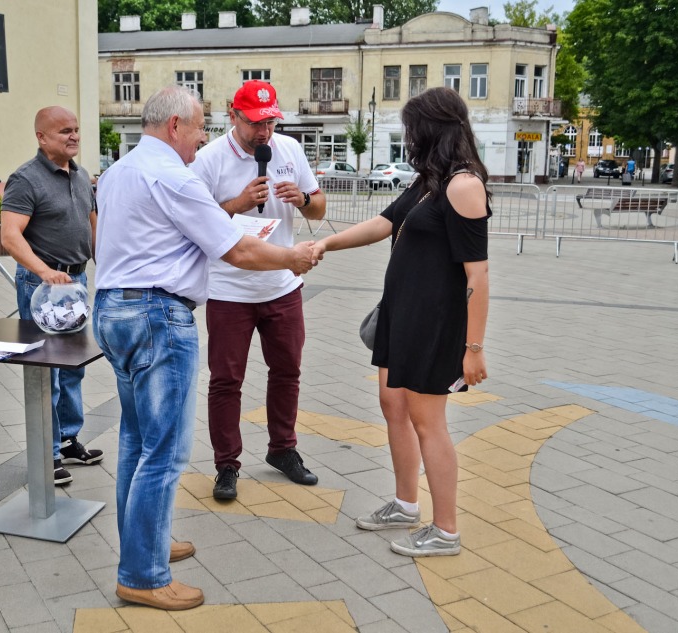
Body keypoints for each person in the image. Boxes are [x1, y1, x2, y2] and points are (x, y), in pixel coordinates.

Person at [93, 85, 315, 610]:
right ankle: (143, 576)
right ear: (175, 126)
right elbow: (237, 249)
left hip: (114, 309)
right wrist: (292, 258)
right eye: (198, 128)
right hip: (157, 317)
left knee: (136, 441)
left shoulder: (120, 171)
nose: (202, 137)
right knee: (164, 451)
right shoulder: (174, 177)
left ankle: (145, 542)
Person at [311, 87, 491, 557]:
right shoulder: (429, 180)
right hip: (401, 313)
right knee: (393, 405)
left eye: (412, 128)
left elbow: (478, 274)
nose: (408, 137)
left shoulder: (463, 185)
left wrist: (473, 348)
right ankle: (406, 504)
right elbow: (383, 223)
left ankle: (446, 531)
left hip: (434, 323)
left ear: (433, 128)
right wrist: (325, 244)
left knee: (428, 422)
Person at [189, 80, 327, 500]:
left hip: (282, 285)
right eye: (255, 123)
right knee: (226, 380)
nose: (264, 132)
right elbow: (192, 220)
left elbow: (319, 208)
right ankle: (226, 464)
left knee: (287, 371)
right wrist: (236, 203)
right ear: (233, 116)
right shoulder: (209, 159)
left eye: (270, 122)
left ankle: (282, 449)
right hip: (229, 289)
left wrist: (303, 199)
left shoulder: (289, 150)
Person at [1, 106, 104, 485]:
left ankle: (68, 438)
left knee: (73, 366)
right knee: (48, 373)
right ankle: (48, 453)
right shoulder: (25, 179)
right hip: (42, 286)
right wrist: (44, 271)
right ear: (42, 137)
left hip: (75, 283)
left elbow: (93, 229)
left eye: (75, 129)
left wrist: (109, 269)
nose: (74, 136)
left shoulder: (80, 176)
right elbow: (10, 236)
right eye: (64, 131)